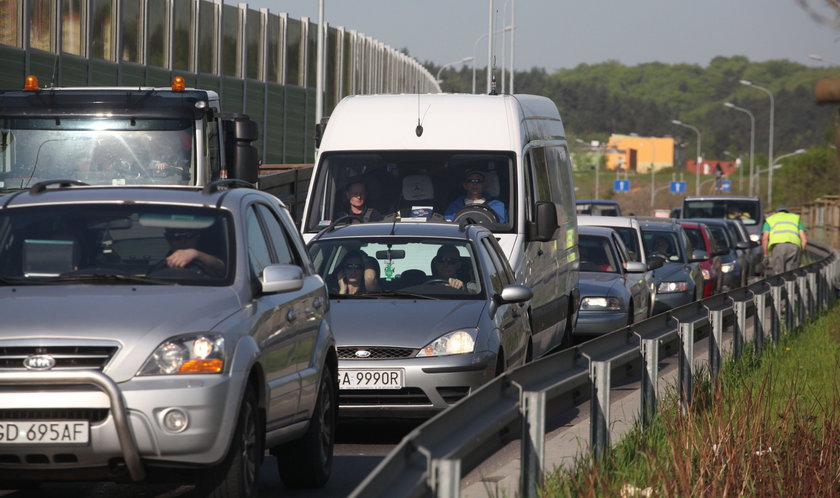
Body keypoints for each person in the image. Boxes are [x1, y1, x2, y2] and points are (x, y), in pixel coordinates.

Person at [153, 228, 225, 277]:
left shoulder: (206, 260)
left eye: (188, 236)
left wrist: (197, 254)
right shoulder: (159, 266)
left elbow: (222, 268)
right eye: (176, 236)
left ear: (197, 237)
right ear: (168, 239)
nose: (183, 241)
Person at [762, 205, 807, 277]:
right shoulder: (795, 219)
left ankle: (781, 287)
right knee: (792, 274)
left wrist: (765, 255)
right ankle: (791, 287)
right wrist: (800, 253)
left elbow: (764, 238)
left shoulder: (770, 220)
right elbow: (804, 240)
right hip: (794, 247)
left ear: (776, 212)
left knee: (779, 274)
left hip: (778, 247)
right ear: (788, 212)